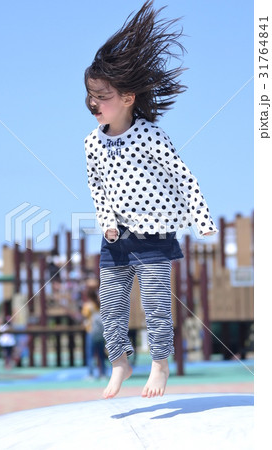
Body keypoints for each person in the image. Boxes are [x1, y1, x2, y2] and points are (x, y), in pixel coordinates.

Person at [84, 1, 218, 399]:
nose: (93, 105)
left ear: (127, 98)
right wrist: (106, 219)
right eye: (89, 97)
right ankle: (120, 362)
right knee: (110, 305)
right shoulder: (92, 143)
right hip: (116, 237)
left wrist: (201, 217)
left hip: (156, 234)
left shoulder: (150, 135)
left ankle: (160, 363)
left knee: (157, 303)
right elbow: (96, 185)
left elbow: (182, 173)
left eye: (101, 97)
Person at [82, 290, 107, 378]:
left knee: (90, 354)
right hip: (100, 332)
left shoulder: (87, 306)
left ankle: (91, 373)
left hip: (91, 332)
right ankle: (103, 373)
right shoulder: (100, 305)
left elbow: (84, 317)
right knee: (101, 354)